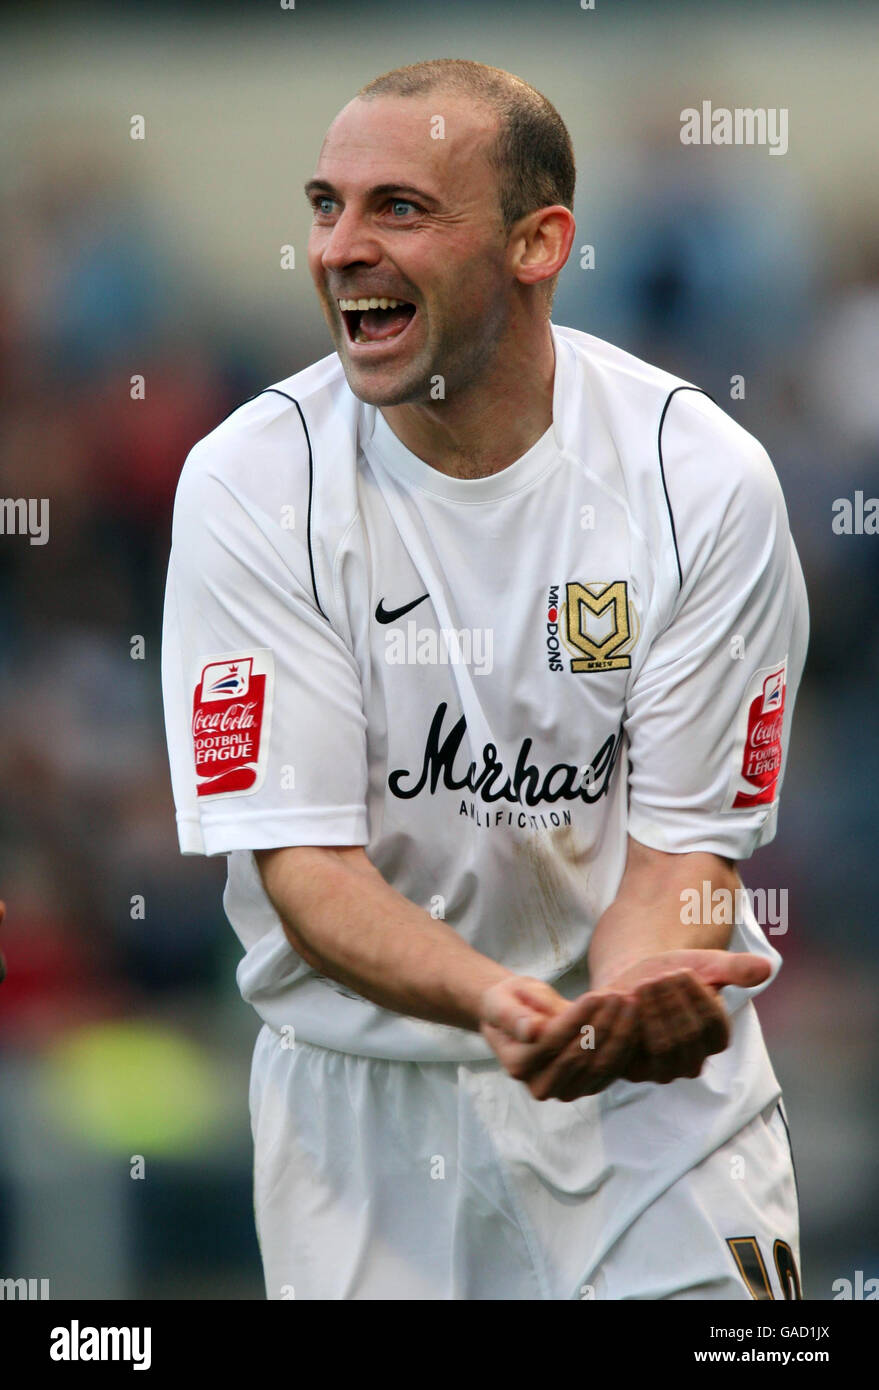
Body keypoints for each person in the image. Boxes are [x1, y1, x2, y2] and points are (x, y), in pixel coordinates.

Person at [160, 59, 809, 1301]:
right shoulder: (250, 482)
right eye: (325, 206)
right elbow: (306, 869)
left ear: (537, 242)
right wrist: (498, 1003)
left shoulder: (703, 478)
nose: (339, 249)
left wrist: (635, 993)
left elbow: (682, 856)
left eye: (397, 208)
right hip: (363, 1126)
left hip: (652, 1119)